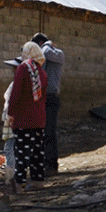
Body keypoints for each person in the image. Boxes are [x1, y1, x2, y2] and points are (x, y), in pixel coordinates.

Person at [8, 40, 48, 192]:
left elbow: (15, 94)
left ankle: (19, 184)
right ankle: (38, 181)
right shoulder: (42, 72)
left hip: (24, 119)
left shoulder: (23, 68)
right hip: (39, 119)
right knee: (37, 151)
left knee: (22, 152)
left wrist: (11, 113)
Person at [32, 32, 65, 175]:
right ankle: (45, 163)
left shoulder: (55, 53)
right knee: (42, 133)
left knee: (49, 132)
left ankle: (51, 165)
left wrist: (46, 45)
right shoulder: (46, 55)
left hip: (50, 97)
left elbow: (46, 53)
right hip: (42, 98)